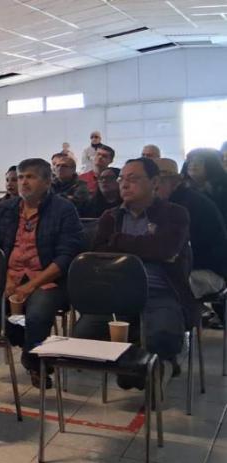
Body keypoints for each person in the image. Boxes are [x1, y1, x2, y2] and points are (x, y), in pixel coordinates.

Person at [73, 158, 195, 387]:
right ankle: (136, 364)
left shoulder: (174, 213)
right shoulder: (111, 216)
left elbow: (165, 249)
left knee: (162, 335)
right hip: (117, 293)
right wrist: (145, 246)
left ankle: (155, 364)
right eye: (122, 179)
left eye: (133, 178)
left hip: (159, 291)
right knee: (83, 334)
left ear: (154, 182)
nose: (124, 184)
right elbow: (98, 254)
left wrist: (118, 241)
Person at [0, 159, 83, 388]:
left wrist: (31, 286)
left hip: (47, 279)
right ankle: (29, 343)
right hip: (10, 277)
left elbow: (66, 256)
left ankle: (33, 362)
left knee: (37, 316)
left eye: (30, 177)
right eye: (20, 177)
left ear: (47, 182)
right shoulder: (5, 208)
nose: (23, 182)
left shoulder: (63, 209)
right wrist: (6, 280)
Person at [155, 158, 227, 306]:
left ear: (176, 181)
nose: (153, 185)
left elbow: (180, 251)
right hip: (185, 268)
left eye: (159, 179)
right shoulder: (166, 201)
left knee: (154, 287)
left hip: (206, 271)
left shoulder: (188, 205)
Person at [183, 148, 227, 221]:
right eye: (191, 161)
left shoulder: (223, 190)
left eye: (200, 161)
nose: (193, 164)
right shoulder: (181, 189)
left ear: (212, 165)